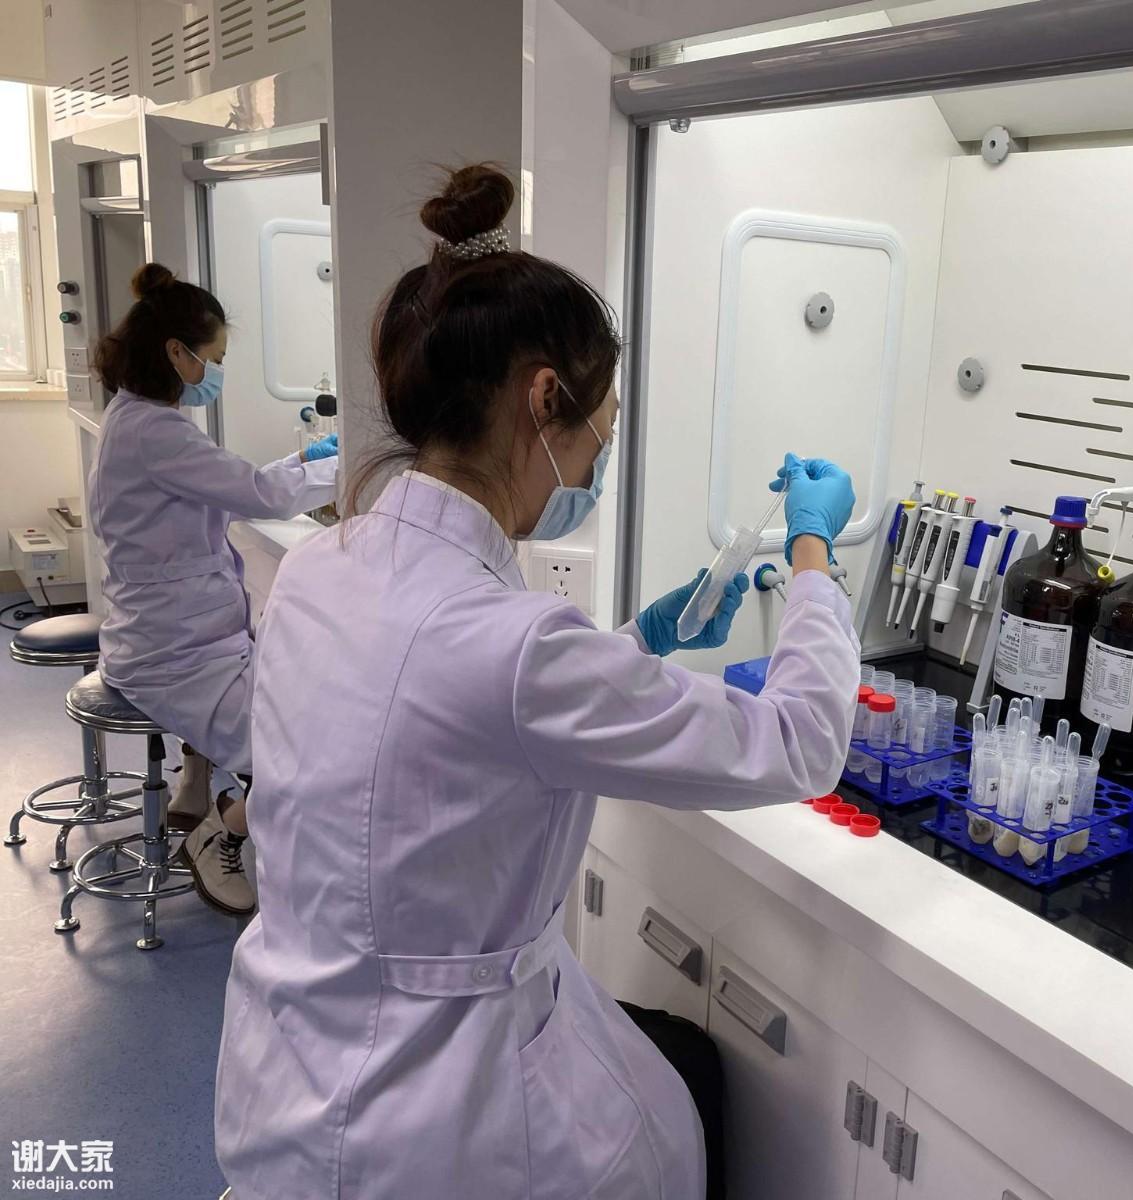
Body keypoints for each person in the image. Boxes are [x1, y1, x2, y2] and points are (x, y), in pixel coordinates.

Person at [213, 164, 859, 1200]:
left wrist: (639, 642)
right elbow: (799, 742)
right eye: (601, 431)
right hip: (433, 1112)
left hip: (286, 1059)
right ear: (545, 399)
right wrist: (817, 556)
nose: (597, 464)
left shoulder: (322, 568)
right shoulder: (512, 646)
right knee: (675, 1120)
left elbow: (442, 718)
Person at [89, 264, 339, 915]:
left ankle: (197, 777)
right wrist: (350, 464)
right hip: (173, 653)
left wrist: (309, 459)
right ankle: (219, 834)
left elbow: (232, 482)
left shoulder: (139, 417)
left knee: (297, 702)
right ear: (177, 352)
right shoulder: (154, 431)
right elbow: (258, 494)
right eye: (216, 358)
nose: (217, 372)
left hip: (177, 637)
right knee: (296, 745)